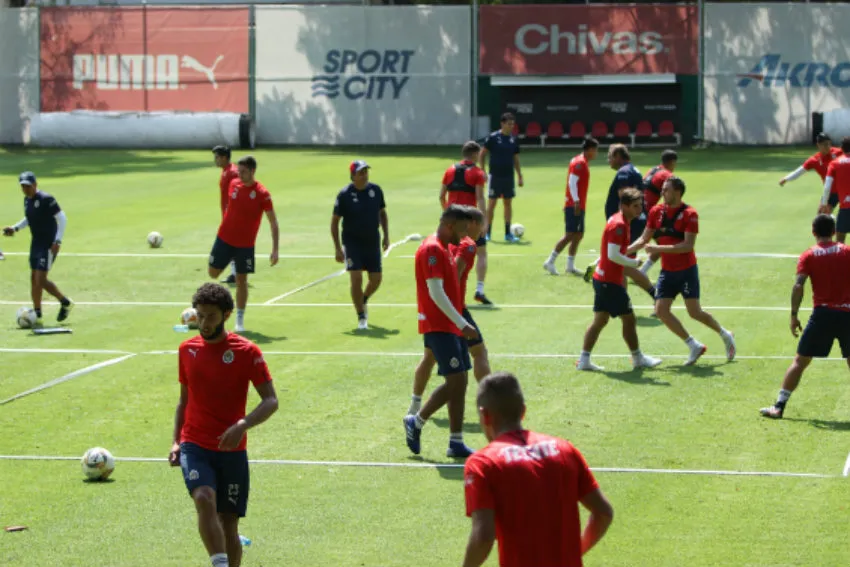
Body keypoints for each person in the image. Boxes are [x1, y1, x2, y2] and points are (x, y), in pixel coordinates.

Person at [169, 283, 279, 567]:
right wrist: (176, 441)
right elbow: (184, 400)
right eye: (200, 315)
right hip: (195, 443)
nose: (204, 323)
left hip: (232, 449)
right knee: (204, 497)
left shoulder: (246, 351)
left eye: (211, 316)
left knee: (228, 522)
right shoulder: (187, 349)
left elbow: (270, 400)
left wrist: (242, 425)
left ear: (227, 314)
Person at [462, 372, 614, 567]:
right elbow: (603, 513)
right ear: (523, 411)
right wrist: (575, 552)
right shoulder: (564, 449)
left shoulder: (483, 463)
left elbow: (483, 537)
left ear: (485, 415)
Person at [630, 176, 736, 365]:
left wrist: (657, 248)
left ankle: (725, 334)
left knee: (694, 312)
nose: (662, 192)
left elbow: (687, 246)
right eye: (663, 189)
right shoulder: (656, 212)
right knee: (661, 310)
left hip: (686, 271)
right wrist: (624, 251)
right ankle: (693, 345)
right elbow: (644, 238)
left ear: (677, 192)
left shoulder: (689, 214)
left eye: (666, 189)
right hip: (667, 271)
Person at [403, 204, 480, 459]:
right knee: (455, 381)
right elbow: (435, 292)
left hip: (450, 324)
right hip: (439, 325)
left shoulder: (445, 247)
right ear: (449, 225)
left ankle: (455, 442)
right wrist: (461, 323)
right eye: (462, 228)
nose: (465, 234)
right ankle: (416, 421)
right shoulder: (432, 249)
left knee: (461, 381)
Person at [761, 214, 850, 419]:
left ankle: (779, 406)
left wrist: (794, 315)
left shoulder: (809, 255)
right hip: (847, 313)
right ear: (834, 231)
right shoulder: (847, 252)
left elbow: (798, 286)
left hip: (822, 315)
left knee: (800, 361)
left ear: (813, 231)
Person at [407, 206, 491, 415]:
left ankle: (414, 406)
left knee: (429, 358)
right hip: (453, 309)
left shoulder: (447, 241)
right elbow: (454, 274)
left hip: (443, 309)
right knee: (478, 353)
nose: (483, 231)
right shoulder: (468, 245)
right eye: (482, 226)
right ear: (473, 224)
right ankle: (489, 403)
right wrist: (458, 315)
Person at [577, 188, 661, 371]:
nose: (640, 209)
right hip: (609, 282)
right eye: (635, 206)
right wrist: (634, 262)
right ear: (624, 206)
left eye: (640, 205)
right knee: (629, 320)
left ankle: (584, 360)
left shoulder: (619, 220)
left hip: (603, 279)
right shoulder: (619, 225)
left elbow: (612, 252)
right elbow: (613, 255)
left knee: (600, 321)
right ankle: (638, 358)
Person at [207, 156, 279, 333]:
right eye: (238, 171)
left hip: (245, 245)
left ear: (253, 171)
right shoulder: (233, 184)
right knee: (213, 273)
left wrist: (275, 249)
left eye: (244, 172)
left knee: (242, 280)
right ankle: (230, 261)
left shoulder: (262, 193)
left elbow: (273, 222)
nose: (239, 175)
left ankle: (239, 319)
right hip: (224, 238)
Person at [582, 145, 656, 304]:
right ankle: (624, 301)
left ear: (618, 156)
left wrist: (619, 220)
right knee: (621, 265)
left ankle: (653, 294)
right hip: (632, 222)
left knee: (624, 265)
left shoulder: (624, 172)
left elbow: (626, 197)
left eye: (610, 156)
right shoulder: (633, 170)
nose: (608, 160)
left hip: (628, 224)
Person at [3, 171, 73, 326]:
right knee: (33, 277)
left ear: (35, 184)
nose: (25, 189)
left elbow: (62, 218)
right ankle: (37, 311)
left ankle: (65, 302)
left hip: (48, 244)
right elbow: (29, 218)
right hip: (36, 243)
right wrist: (15, 228)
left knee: (40, 279)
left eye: (28, 186)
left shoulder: (46, 199)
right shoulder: (27, 200)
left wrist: (58, 241)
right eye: (23, 186)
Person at [331, 160, 390, 330]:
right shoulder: (344, 195)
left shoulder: (376, 190)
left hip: (372, 241)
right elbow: (334, 222)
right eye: (361, 173)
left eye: (366, 172)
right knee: (356, 277)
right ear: (353, 176)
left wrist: (386, 236)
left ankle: (362, 299)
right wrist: (337, 248)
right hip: (352, 242)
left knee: (376, 279)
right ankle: (361, 316)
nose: (364, 175)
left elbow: (382, 213)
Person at [440, 141, 493, 305]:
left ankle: (448, 289)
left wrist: (447, 213)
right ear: (475, 154)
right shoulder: (477, 173)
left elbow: (441, 196)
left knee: (451, 253)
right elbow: (480, 198)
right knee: (481, 253)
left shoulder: (449, 170)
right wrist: (484, 221)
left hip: (451, 221)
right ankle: (479, 289)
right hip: (470, 220)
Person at [543, 138, 599, 276]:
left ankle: (570, 266)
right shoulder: (579, 163)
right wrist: (576, 201)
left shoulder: (582, 161)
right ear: (590, 149)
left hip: (578, 204)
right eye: (595, 150)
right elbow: (572, 182)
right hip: (575, 205)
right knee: (570, 234)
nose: (596, 153)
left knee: (578, 235)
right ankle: (550, 261)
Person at [479, 112, 524, 244]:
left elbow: (516, 158)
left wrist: (519, 175)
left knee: (508, 203)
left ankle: (508, 234)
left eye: (512, 124)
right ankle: (487, 232)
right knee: (492, 203)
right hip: (495, 176)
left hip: (508, 176)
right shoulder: (493, 138)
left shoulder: (513, 139)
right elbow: (482, 154)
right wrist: (483, 171)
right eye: (509, 124)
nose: (511, 126)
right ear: (502, 124)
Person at [638, 149, 678, 276]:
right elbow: (672, 196)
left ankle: (600, 264)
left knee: (627, 243)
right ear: (672, 162)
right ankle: (641, 273)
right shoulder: (667, 175)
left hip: (636, 208)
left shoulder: (653, 170)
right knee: (664, 243)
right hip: (647, 213)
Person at [780, 132, 841, 213]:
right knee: (821, 215)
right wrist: (786, 178)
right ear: (818, 145)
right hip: (830, 192)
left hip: (844, 189)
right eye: (825, 144)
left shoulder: (838, 152)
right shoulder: (814, 160)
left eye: (829, 144)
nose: (828, 147)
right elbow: (800, 171)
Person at [213, 145, 241, 285]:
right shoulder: (226, 171)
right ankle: (235, 273)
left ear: (224, 157)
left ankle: (237, 274)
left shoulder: (233, 172)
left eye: (217, 157)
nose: (215, 160)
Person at [820, 136, 850, 243]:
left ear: (842, 148)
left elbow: (827, 186)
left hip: (846, 207)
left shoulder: (834, 163)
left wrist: (824, 203)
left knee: (840, 241)